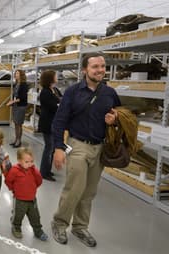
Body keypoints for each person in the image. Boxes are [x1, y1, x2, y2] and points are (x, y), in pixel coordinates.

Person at [50, 52, 120, 247]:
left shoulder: (110, 93)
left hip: (99, 147)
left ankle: (80, 227)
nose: (100, 70)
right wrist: (58, 147)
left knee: (89, 192)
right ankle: (59, 223)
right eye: (95, 67)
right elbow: (59, 121)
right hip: (77, 145)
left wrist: (114, 121)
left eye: (103, 66)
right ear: (84, 70)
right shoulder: (73, 92)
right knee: (74, 189)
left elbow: (119, 117)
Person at [4, 147, 48, 241]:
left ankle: (38, 231)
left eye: (31, 161)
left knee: (35, 216)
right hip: (20, 199)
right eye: (27, 162)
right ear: (19, 160)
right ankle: (16, 227)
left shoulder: (33, 170)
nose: (30, 164)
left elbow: (39, 180)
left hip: (32, 199)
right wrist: (13, 189)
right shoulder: (14, 170)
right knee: (18, 215)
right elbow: (8, 181)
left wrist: (35, 171)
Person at [38, 70, 62, 182]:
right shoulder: (45, 92)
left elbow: (61, 100)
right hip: (47, 123)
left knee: (51, 149)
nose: (57, 77)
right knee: (49, 147)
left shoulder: (55, 90)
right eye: (55, 75)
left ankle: (47, 170)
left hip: (54, 122)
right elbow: (54, 106)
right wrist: (59, 105)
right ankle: (43, 172)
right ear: (50, 78)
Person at [6, 70, 28, 148]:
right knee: (15, 123)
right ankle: (16, 139)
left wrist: (12, 102)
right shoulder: (16, 84)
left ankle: (19, 141)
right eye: (15, 73)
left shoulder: (24, 84)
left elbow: (22, 97)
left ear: (21, 75)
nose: (16, 75)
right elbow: (14, 95)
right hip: (15, 105)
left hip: (21, 106)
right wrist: (12, 101)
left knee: (19, 124)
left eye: (17, 73)